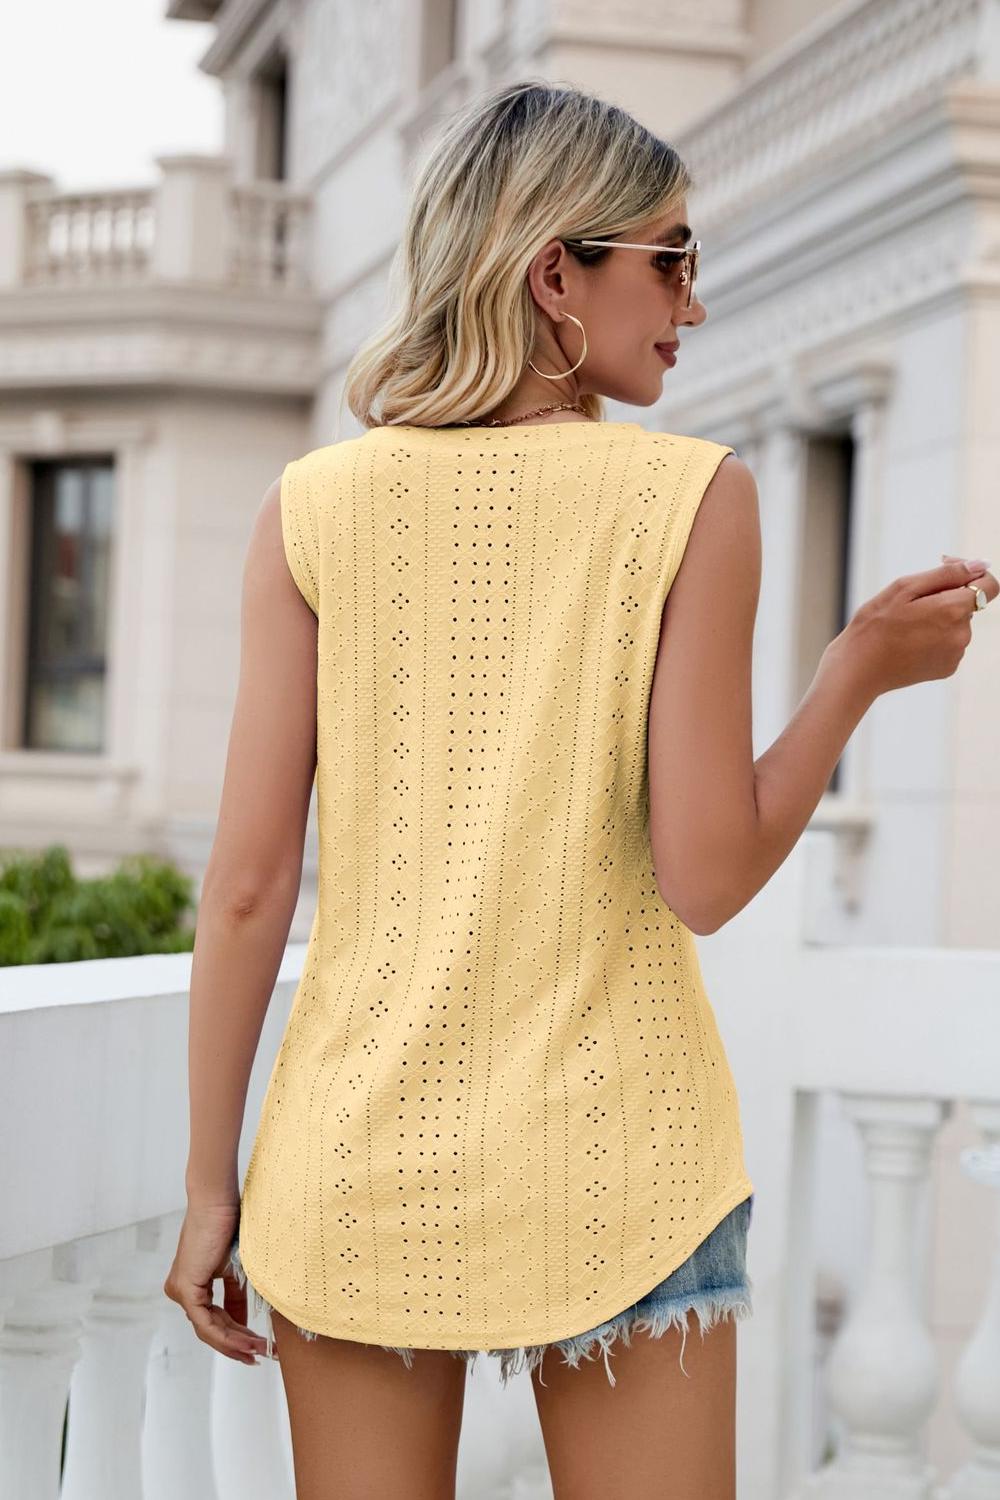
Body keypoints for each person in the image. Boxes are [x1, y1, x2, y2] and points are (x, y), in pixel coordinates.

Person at [163, 78, 996, 1500]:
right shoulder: (693, 498)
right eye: (670, 261)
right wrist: (852, 675)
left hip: (359, 1161)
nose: (694, 303)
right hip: (623, 1163)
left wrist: (206, 1191)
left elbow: (246, 891)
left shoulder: (309, 509)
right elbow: (706, 878)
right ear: (557, 275)